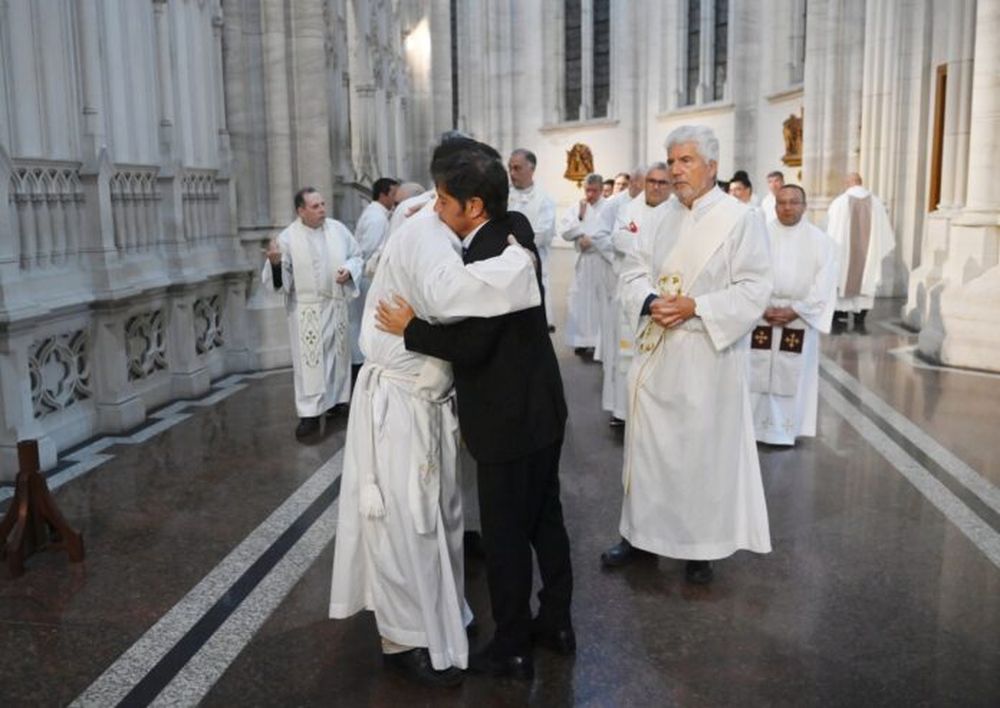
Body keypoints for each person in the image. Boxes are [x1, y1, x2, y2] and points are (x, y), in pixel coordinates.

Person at [328, 138, 543, 688]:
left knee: (439, 519)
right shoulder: (428, 235)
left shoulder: (445, 229)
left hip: (426, 402)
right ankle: (403, 638)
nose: (434, 204)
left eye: (443, 196)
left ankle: (443, 616)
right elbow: (455, 298)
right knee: (404, 523)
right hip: (400, 402)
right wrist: (519, 257)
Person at [375, 143, 572, 682]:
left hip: (507, 421)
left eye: (442, 200)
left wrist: (409, 328)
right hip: (544, 411)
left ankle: (511, 645)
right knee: (546, 519)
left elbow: (474, 343)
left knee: (506, 536)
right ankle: (556, 621)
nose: (435, 210)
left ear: (474, 206)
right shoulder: (515, 229)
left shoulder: (487, 255)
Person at [600, 125, 773, 585]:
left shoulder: (740, 218)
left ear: (712, 167)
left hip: (706, 356)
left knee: (700, 455)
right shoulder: (658, 218)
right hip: (657, 350)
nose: (675, 170)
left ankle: (701, 547)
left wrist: (699, 307)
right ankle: (639, 535)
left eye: (685, 161)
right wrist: (649, 301)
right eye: (672, 161)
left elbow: (755, 288)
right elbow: (633, 271)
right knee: (648, 449)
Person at [262, 187, 363, 439]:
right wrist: (275, 264)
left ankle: (339, 402)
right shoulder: (287, 238)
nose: (322, 210)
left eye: (323, 204)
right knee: (310, 363)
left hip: (336, 304)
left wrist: (349, 271)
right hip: (306, 309)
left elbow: (357, 256)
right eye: (315, 206)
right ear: (301, 211)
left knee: (337, 358)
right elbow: (278, 281)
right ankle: (309, 414)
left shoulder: (338, 230)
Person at [750, 185, 837, 445]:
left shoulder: (820, 241)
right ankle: (754, 428)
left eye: (793, 202)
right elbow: (747, 274)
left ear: (804, 205)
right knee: (756, 370)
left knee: (790, 373)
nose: (787, 208)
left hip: (799, 317)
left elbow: (824, 282)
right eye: (781, 202)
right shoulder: (759, 235)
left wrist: (796, 310)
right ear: (774, 205)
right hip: (761, 315)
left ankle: (784, 431)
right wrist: (761, 306)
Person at [605, 162, 673, 426]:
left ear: (670, 186)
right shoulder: (627, 210)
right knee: (625, 356)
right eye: (651, 181)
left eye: (662, 182)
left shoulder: (676, 212)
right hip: (630, 295)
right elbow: (619, 241)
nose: (656, 187)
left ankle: (651, 414)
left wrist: (643, 243)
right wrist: (651, 244)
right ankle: (622, 412)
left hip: (663, 296)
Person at [826, 172, 896, 332]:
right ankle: (860, 317)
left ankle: (840, 315)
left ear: (848, 183)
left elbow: (831, 230)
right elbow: (885, 234)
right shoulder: (876, 203)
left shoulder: (840, 202)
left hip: (844, 256)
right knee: (866, 281)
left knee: (843, 280)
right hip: (868, 257)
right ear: (860, 182)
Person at [559, 173, 613, 356]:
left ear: (601, 189)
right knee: (580, 301)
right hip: (583, 262)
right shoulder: (577, 207)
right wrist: (580, 220)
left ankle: (598, 341)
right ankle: (580, 341)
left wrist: (592, 241)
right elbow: (565, 231)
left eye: (594, 191)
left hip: (601, 260)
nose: (590, 194)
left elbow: (611, 233)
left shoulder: (609, 207)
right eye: (587, 190)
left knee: (599, 301)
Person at [349, 177, 399, 370]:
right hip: (368, 277)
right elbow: (366, 250)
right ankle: (361, 362)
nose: (395, 200)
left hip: (371, 276)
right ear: (383, 194)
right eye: (393, 194)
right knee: (365, 320)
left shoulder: (380, 214)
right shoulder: (376, 218)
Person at [508, 148, 557, 331]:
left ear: (531, 169)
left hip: (533, 265)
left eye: (517, 168)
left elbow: (543, 234)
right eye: (510, 168)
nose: (512, 173)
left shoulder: (544, 200)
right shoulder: (504, 195)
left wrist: (512, 244)